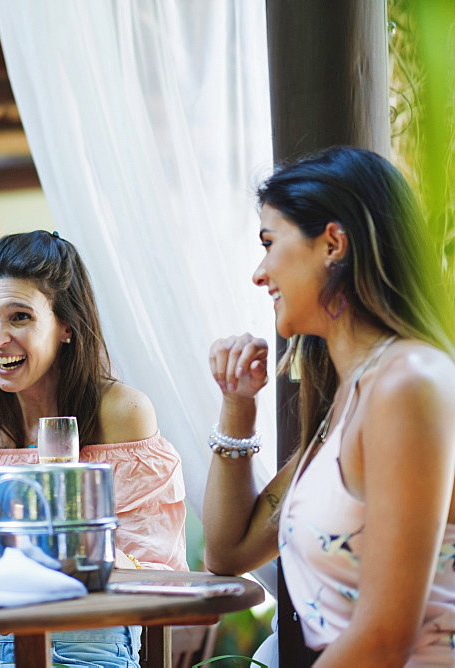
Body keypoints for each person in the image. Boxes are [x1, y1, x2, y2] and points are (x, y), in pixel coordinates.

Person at [204, 146, 455, 666]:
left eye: (270, 243)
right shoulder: (354, 398)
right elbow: (228, 554)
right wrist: (237, 405)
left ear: (333, 244)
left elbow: (385, 637)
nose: (259, 273)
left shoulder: (408, 384)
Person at [0, 230, 188, 667]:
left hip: (87, 646)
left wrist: (67, 543)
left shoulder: (123, 414)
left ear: (66, 326)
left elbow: (160, 575)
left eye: (19, 317)